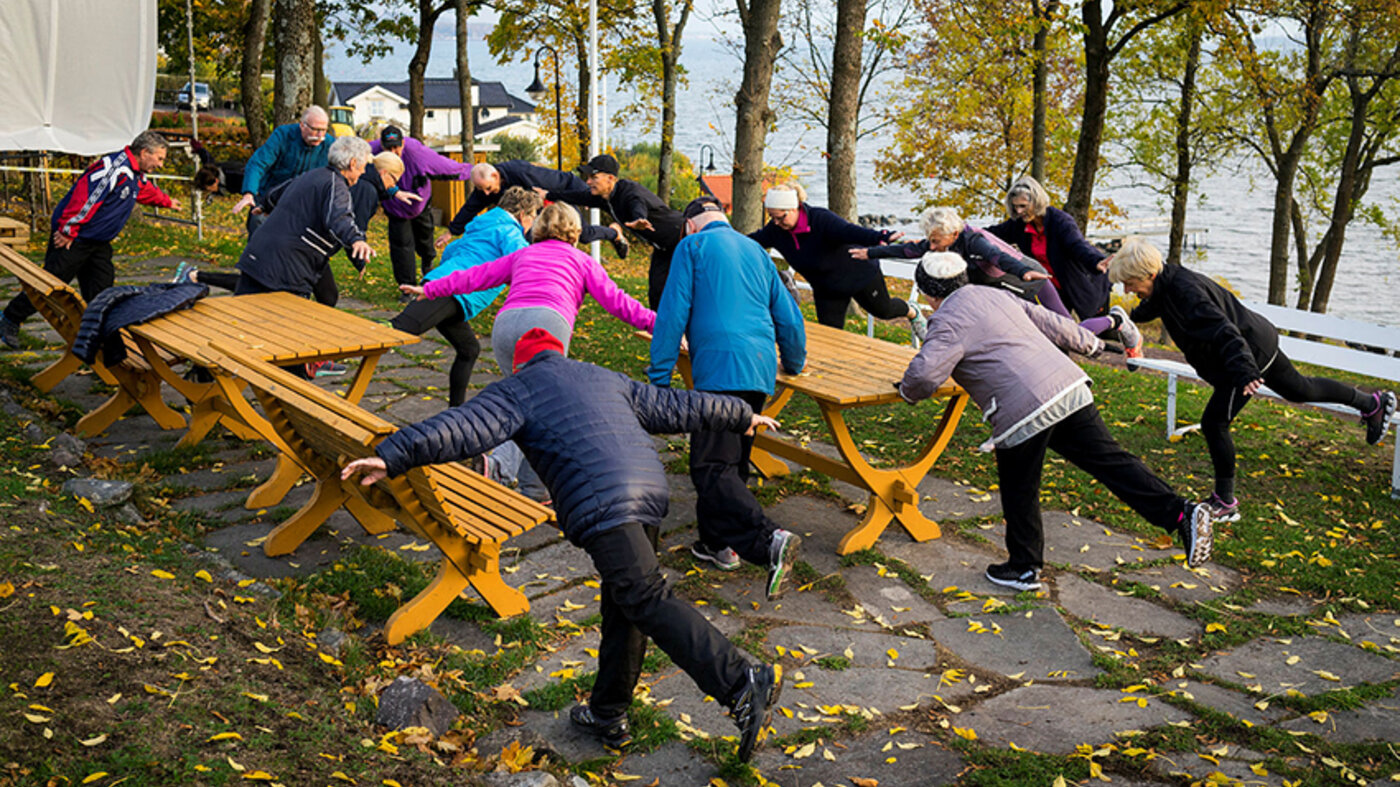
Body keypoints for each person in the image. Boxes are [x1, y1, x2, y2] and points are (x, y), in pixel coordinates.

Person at [341, 328, 783, 761]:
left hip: (605, 505)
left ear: (520, 364)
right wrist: (739, 415)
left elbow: (461, 427)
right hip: (647, 493)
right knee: (625, 604)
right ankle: (607, 712)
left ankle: (740, 682)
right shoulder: (602, 376)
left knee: (645, 598)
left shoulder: (519, 388)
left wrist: (393, 454)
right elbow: (677, 406)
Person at [898, 251, 1215, 591]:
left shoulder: (946, 320)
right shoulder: (994, 294)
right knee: (1112, 462)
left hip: (1022, 411)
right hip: (1067, 387)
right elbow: (1052, 323)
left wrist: (906, 392)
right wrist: (1092, 345)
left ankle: (1024, 567)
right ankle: (1180, 513)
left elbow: (925, 375)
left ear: (928, 293)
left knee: (1020, 489)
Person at [1108, 237, 1396, 522]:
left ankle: (1225, 502)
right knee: (1300, 389)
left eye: (1130, 283)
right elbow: (1156, 306)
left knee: (1214, 423)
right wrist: (1127, 319)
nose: (1127, 289)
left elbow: (1225, 330)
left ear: (1150, 274)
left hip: (1245, 355)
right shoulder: (1166, 285)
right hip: (1253, 345)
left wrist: (1246, 371)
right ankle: (1372, 403)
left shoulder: (1186, 292)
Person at [400, 201, 656, 501]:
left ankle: (533, 489)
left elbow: (476, 275)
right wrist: (661, 325)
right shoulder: (581, 260)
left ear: (538, 229)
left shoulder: (523, 254)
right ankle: (498, 468)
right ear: (575, 233)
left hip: (506, 326)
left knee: (535, 404)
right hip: (545, 324)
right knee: (536, 406)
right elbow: (619, 302)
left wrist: (430, 289)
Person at [648, 196, 807, 599]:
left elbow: (671, 313)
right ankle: (716, 544)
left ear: (689, 225)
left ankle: (769, 540)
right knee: (732, 461)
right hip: (758, 368)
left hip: (719, 369)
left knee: (711, 466)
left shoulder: (692, 246)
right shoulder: (756, 250)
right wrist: (793, 361)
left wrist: (659, 380)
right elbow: (788, 316)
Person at [857, 204, 1144, 353]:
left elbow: (998, 257)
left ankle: (1115, 320)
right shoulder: (944, 242)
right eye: (930, 240)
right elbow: (909, 249)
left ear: (953, 233)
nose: (931, 247)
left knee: (1072, 334)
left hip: (1032, 283)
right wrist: (869, 253)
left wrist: (1022, 272)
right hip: (1011, 295)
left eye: (935, 241)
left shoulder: (974, 241)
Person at [1, 131, 180, 350]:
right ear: (144, 152)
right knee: (51, 284)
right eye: (159, 158)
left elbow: (143, 191)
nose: (160, 164)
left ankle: (96, 341)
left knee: (102, 293)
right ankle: (9, 318)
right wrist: (68, 230)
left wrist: (167, 202)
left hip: (98, 242)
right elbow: (85, 198)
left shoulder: (136, 173)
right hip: (75, 237)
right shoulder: (113, 168)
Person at [391, 186, 542, 406]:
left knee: (469, 349)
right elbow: (522, 260)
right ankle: (347, 343)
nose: (533, 222)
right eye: (533, 216)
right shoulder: (510, 232)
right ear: (522, 215)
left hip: (450, 291)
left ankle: (456, 409)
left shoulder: (481, 223)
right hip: (451, 293)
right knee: (396, 330)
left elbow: (452, 250)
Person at [749, 184, 926, 342]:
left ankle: (912, 311)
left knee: (883, 310)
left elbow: (850, 231)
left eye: (781, 217)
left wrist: (882, 236)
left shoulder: (820, 219)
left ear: (794, 208)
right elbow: (750, 242)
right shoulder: (775, 231)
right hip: (827, 289)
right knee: (830, 338)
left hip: (859, 274)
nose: (777, 223)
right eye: (772, 217)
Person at [985, 176, 1135, 351]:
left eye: (1023, 206)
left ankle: (1122, 323)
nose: (1019, 211)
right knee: (1057, 336)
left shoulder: (1060, 221)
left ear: (1036, 201)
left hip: (1079, 283)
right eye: (1015, 206)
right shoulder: (1018, 225)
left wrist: (1096, 261)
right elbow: (992, 234)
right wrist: (963, 232)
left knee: (1098, 332)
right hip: (1053, 289)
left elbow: (1078, 245)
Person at [233, 135, 374, 298]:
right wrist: (356, 239)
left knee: (242, 308)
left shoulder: (312, 174)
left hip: (258, 255)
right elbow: (339, 216)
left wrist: (265, 205)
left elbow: (277, 192)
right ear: (353, 163)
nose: (364, 172)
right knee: (288, 314)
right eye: (363, 166)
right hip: (287, 268)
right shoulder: (337, 186)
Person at [545, 154, 685, 308]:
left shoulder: (629, 192)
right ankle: (659, 323)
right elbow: (578, 196)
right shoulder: (605, 198)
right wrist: (547, 195)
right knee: (657, 292)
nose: (588, 182)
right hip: (663, 247)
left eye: (594, 177)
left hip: (681, 237)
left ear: (610, 178)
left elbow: (637, 203)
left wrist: (639, 218)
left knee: (684, 288)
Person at [438, 160, 630, 257]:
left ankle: (614, 233)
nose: (487, 194)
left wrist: (584, 194)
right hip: (535, 214)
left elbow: (564, 179)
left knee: (585, 235)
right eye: (482, 190)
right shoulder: (485, 186)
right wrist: (451, 232)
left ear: (495, 176)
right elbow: (470, 208)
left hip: (558, 198)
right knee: (531, 238)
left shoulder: (522, 173)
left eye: (488, 188)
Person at [371, 125, 473, 294]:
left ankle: (428, 263)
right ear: (381, 146)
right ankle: (406, 286)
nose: (393, 152)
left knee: (425, 237)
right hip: (395, 207)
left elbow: (446, 166)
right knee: (401, 246)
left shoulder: (417, 153)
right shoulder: (372, 152)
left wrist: (472, 171)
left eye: (396, 147)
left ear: (403, 143)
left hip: (419, 202)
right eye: (388, 149)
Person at [232, 106, 333, 235]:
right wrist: (249, 193)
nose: (320, 135)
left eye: (323, 130)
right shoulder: (283, 135)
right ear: (302, 125)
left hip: (302, 202)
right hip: (269, 194)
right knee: (259, 222)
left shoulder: (330, 145)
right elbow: (258, 163)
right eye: (315, 130)